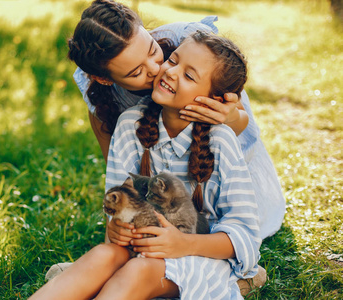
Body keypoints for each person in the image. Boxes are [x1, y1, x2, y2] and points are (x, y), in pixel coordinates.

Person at [30, 30, 260, 300]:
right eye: (173, 61)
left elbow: (245, 234)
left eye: (189, 76)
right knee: (105, 254)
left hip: (200, 255)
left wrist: (182, 244)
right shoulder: (130, 124)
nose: (171, 72)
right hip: (141, 251)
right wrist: (117, 227)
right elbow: (118, 208)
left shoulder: (220, 142)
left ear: (215, 100)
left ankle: (242, 282)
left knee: (138, 271)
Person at [69, 0, 284, 240]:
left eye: (152, 51)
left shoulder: (186, 43)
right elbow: (121, 172)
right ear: (105, 79)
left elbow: (244, 133)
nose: (156, 69)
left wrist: (230, 116)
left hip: (222, 176)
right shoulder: (104, 99)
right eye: (136, 72)